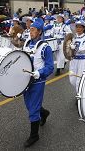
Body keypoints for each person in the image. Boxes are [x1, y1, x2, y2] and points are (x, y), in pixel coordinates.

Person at [22, 18, 54, 147]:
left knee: (33, 108)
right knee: (29, 105)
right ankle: (44, 112)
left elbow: (50, 67)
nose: (30, 31)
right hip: (25, 80)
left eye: (33, 29)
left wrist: (39, 73)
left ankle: (34, 136)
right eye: (30, 29)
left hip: (37, 81)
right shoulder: (27, 42)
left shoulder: (45, 47)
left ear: (40, 31)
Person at [69, 20, 85, 93]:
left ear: (83, 28)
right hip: (73, 60)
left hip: (82, 61)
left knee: (79, 79)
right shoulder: (74, 37)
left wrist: (74, 48)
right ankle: (80, 91)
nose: (78, 29)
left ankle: (79, 95)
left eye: (80, 27)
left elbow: (83, 49)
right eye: (77, 27)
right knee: (72, 79)